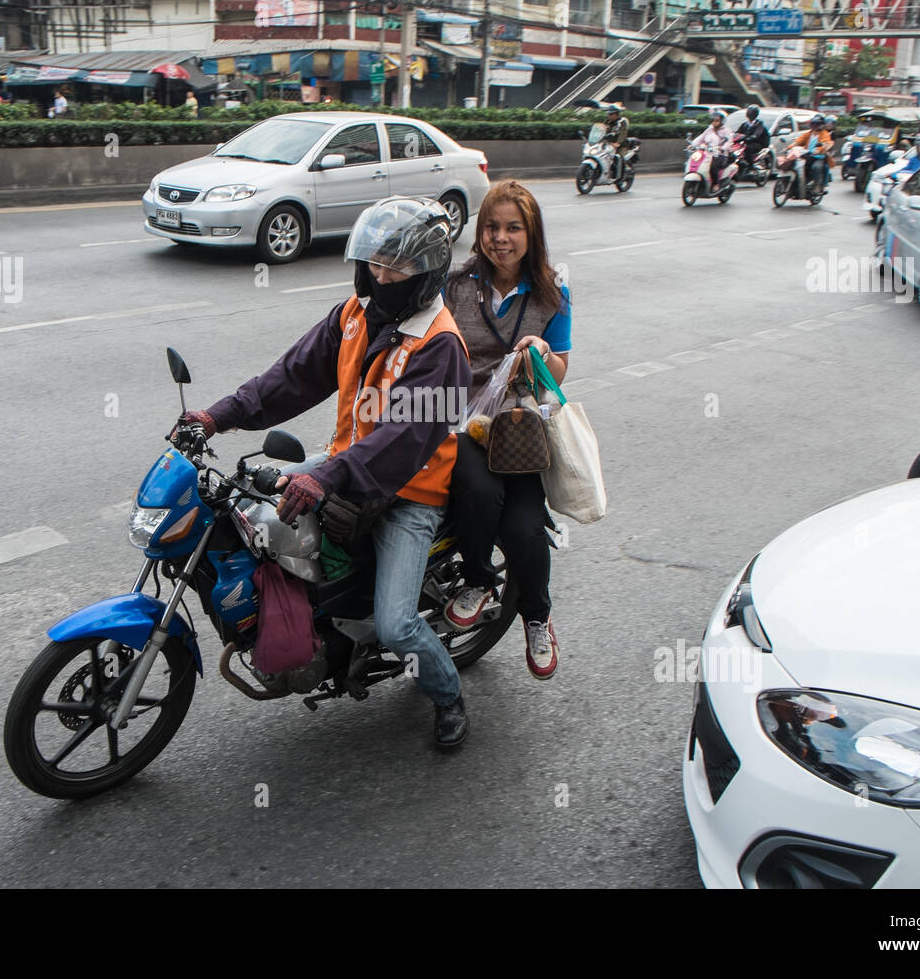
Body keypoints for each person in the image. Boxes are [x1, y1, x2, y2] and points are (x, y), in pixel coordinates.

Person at [176, 198, 475, 749]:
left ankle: (447, 694)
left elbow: (401, 442)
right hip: (344, 467)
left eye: (396, 269)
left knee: (396, 625)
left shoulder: (441, 347)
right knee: (248, 513)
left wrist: (326, 477)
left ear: (427, 273)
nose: (380, 277)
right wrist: (217, 416)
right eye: (375, 264)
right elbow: (289, 377)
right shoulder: (355, 315)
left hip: (410, 493)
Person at [441, 180, 572, 681]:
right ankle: (478, 580)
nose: (501, 238)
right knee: (477, 491)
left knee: (522, 528)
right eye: (492, 227)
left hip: (517, 425)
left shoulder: (551, 292)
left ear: (531, 233)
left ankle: (537, 617)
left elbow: (560, 370)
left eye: (513, 228)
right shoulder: (455, 284)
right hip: (460, 418)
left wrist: (541, 355)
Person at [791, 113, 834, 193]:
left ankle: (817, 185)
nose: (815, 126)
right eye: (813, 124)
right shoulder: (808, 134)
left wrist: (819, 149)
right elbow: (799, 140)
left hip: (819, 157)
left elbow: (826, 143)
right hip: (808, 155)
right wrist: (791, 146)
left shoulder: (825, 134)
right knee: (795, 165)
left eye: (817, 124)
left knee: (816, 167)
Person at [689, 109, 733, 186]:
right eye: (713, 120)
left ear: (722, 121)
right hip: (707, 153)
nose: (714, 122)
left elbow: (729, 142)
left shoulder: (727, 131)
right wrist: (692, 145)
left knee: (713, 167)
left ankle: (716, 184)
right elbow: (701, 138)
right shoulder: (709, 129)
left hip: (719, 155)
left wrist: (722, 148)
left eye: (717, 121)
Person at [734, 104, 770, 175]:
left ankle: (751, 166)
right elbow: (738, 133)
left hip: (758, 143)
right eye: (748, 111)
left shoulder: (759, 124)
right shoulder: (745, 124)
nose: (749, 113)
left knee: (748, 148)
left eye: (750, 112)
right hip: (746, 142)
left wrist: (750, 138)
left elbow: (757, 134)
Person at [601, 104, 631, 178]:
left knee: (618, 158)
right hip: (609, 144)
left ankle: (621, 175)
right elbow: (601, 130)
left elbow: (623, 133)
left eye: (611, 114)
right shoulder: (607, 121)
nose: (609, 115)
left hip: (621, 145)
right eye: (608, 114)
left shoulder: (622, 121)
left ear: (616, 114)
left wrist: (618, 143)